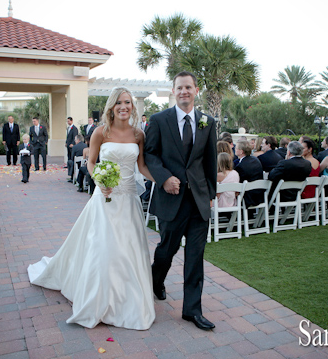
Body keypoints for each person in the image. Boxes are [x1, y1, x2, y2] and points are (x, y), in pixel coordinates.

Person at [28, 86, 156, 330]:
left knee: (128, 248)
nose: (124, 107)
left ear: (133, 106)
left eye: (128, 102)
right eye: (119, 102)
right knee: (104, 247)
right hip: (105, 199)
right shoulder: (101, 132)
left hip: (128, 199)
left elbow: (142, 167)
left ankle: (129, 297)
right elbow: (91, 161)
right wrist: (99, 180)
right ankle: (99, 298)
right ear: (111, 106)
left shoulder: (139, 135)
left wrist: (161, 180)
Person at [144, 71, 217, 331]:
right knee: (167, 250)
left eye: (189, 87)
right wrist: (164, 179)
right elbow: (150, 155)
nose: (184, 91)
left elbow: (210, 161)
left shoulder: (208, 122)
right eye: (179, 87)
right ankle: (156, 280)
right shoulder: (158, 120)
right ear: (173, 91)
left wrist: (209, 194)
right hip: (171, 198)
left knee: (196, 257)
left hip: (198, 201)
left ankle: (192, 311)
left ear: (196, 90)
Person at [234, 139, 264, 208]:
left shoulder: (240, 166)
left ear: (241, 151)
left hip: (248, 198)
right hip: (259, 195)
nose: (235, 149)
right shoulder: (256, 160)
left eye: (236, 148)